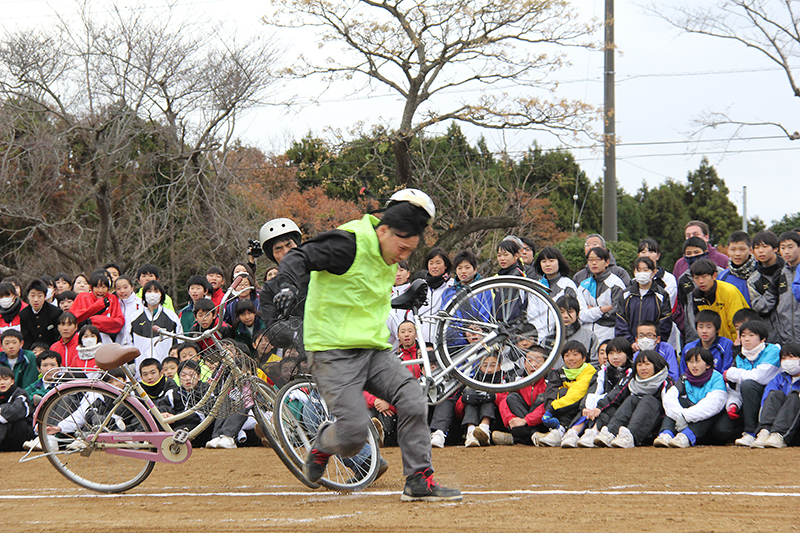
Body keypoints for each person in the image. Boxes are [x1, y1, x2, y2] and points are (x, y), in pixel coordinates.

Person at [272, 188, 461, 502]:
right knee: (354, 434)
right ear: (383, 230)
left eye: (409, 251)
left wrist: (405, 298)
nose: (403, 257)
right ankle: (322, 445)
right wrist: (289, 286)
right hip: (332, 352)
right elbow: (298, 256)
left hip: (373, 350)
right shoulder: (348, 243)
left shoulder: (387, 251)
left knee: (413, 397)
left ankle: (419, 480)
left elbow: (364, 296)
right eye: (401, 248)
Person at [593, 350, 674, 448]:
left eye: (647, 364)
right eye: (639, 365)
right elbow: (616, 394)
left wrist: (665, 431)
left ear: (656, 365)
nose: (643, 368)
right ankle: (610, 432)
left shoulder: (666, 382)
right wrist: (599, 407)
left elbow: (671, 408)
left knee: (648, 400)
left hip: (657, 423)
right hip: (633, 420)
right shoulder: (632, 381)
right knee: (631, 400)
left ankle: (630, 436)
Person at [655, 346, 727, 448]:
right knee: (678, 402)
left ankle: (685, 436)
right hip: (687, 415)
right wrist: (680, 415)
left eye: (698, 362)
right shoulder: (685, 378)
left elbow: (713, 405)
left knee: (705, 413)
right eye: (690, 362)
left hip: (710, 418)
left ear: (708, 365)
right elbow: (669, 397)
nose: (694, 365)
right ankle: (666, 434)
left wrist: (685, 416)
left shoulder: (716, 378)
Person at [725, 320, 781, 446]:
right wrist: (733, 404)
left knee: (749, 384)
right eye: (743, 335)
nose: (746, 339)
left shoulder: (773, 351)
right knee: (722, 430)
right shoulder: (740, 357)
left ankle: (752, 431)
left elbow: (759, 377)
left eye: (751, 335)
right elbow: (737, 388)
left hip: (773, 396)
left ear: (763, 338)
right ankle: (751, 433)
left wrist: (731, 373)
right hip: (751, 399)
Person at [570, 337, 634, 448]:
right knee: (586, 408)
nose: (615, 357)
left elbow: (618, 392)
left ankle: (593, 432)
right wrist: (586, 407)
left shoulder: (631, 371)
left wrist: (599, 407)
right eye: (611, 353)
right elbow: (593, 389)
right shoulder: (603, 370)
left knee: (609, 407)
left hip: (620, 405)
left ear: (628, 354)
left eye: (619, 352)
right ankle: (572, 433)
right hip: (603, 403)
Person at [532, 340, 596, 447]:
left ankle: (562, 430)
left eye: (575, 355)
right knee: (549, 396)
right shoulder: (558, 372)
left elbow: (577, 394)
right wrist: (549, 410)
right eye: (567, 355)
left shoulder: (589, 371)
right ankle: (556, 431)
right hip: (560, 409)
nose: (571, 358)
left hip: (581, 407)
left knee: (567, 394)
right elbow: (550, 392)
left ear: (584, 358)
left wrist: (552, 409)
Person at [749, 343, 800, 448]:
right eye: (783, 358)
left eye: (791, 357)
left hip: (796, 428)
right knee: (774, 394)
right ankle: (765, 432)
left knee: (795, 395)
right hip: (776, 425)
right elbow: (766, 402)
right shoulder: (779, 378)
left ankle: (780, 434)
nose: (787, 361)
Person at [494, 347, 548, 445]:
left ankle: (517, 437)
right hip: (521, 420)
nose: (533, 364)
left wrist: (526, 420)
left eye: (538, 360)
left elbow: (550, 405)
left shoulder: (552, 377)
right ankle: (533, 435)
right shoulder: (517, 377)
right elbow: (502, 398)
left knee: (543, 398)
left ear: (546, 362)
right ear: (524, 363)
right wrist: (509, 419)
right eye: (529, 360)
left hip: (544, 422)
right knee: (511, 398)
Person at [689, 258, 749, 343]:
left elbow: (737, 323)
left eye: (704, 277)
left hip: (736, 341)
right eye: (696, 278)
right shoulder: (696, 295)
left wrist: (737, 344)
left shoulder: (729, 291)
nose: (700, 281)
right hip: (714, 344)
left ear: (714, 276)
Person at [615, 256, 672, 345]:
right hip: (630, 347)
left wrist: (654, 341)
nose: (642, 273)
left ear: (653, 272)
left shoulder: (661, 295)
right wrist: (630, 342)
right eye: (639, 270)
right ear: (634, 272)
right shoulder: (625, 294)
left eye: (646, 270)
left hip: (653, 345)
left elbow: (665, 323)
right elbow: (621, 321)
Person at [258, 217, 304, 327]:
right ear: (272, 255)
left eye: (289, 245)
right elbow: (272, 328)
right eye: (278, 248)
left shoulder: (317, 272)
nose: (286, 251)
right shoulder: (269, 289)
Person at [577, 247, 627, 344]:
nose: (594, 263)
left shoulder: (615, 284)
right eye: (590, 260)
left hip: (608, 334)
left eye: (598, 259)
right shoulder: (583, 286)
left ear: (607, 262)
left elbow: (616, 313)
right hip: (586, 335)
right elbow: (581, 315)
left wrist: (591, 310)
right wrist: (601, 310)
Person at [131, 280, 182, 371]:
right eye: (149, 291)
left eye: (156, 291)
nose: (153, 294)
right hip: (141, 372)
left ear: (161, 294)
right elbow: (128, 343)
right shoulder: (134, 317)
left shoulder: (171, 317)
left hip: (166, 371)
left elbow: (179, 342)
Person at [458, 354, 507, 447]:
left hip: (495, 418)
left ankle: (484, 428)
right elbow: (457, 410)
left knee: (488, 395)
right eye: (485, 365)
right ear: (480, 366)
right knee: (470, 395)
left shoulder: (505, 379)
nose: (489, 369)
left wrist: (494, 397)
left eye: (493, 365)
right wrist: (464, 399)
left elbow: (508, 399)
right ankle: (471, 432)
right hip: (469, 417)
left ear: (500, 366)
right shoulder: (471, 380)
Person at [748, 230, 785, 342]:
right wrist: (773, 290)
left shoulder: (789, 271)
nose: (761, 251)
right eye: (757, 247)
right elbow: (759, 307)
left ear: (775, 248)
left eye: (764, 246)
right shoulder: (754, 280)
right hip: (771, 336)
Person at [69, 271, 124, 344]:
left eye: (104, 287)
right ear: (91, 287)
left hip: (106, 339)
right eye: (97, 287)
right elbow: (73, 317)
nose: (100, 291)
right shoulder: (82, 297)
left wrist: (91, 321)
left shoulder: (112, 299)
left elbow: (118, 322)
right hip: (82, 337)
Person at [0, 366, 36, 451]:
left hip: (21, 435)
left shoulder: (20, 394)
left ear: (12, 381)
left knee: (17, 421)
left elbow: (16, 411)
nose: (2, 383)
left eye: (5, 379)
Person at [556, 296, 598, 367]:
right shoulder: (549, 337)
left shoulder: (589, 336)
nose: (566, 316)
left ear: (578, 314)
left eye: (570, 312)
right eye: (561, 312)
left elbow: (595, 363)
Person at [20, 279, 61, 348]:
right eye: (32, 296)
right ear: (28, 296)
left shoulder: (55, 312)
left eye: (40, 296)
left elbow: (57, 337)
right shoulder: (24, 314)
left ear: (45, 297)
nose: (36, 300)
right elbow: (26, 338)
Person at [775, 231, 800, 344]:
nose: (786, 251)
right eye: (783, 247)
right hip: (785, 336)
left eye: (790, 247)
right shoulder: (779, 273)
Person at [718, 231, 755, 305]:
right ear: (728, 250)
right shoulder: (723, 277)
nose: (737, 254)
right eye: (733, 249)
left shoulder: (759, 272)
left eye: (742, 249)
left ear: (750, 250)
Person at [114, 275, 142, 347]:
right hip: (118, 345)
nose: (122, 291)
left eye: (125, 287)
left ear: (132, 288)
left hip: (136, 345)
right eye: (118, 288)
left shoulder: (140, 304)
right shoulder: (115, 304)